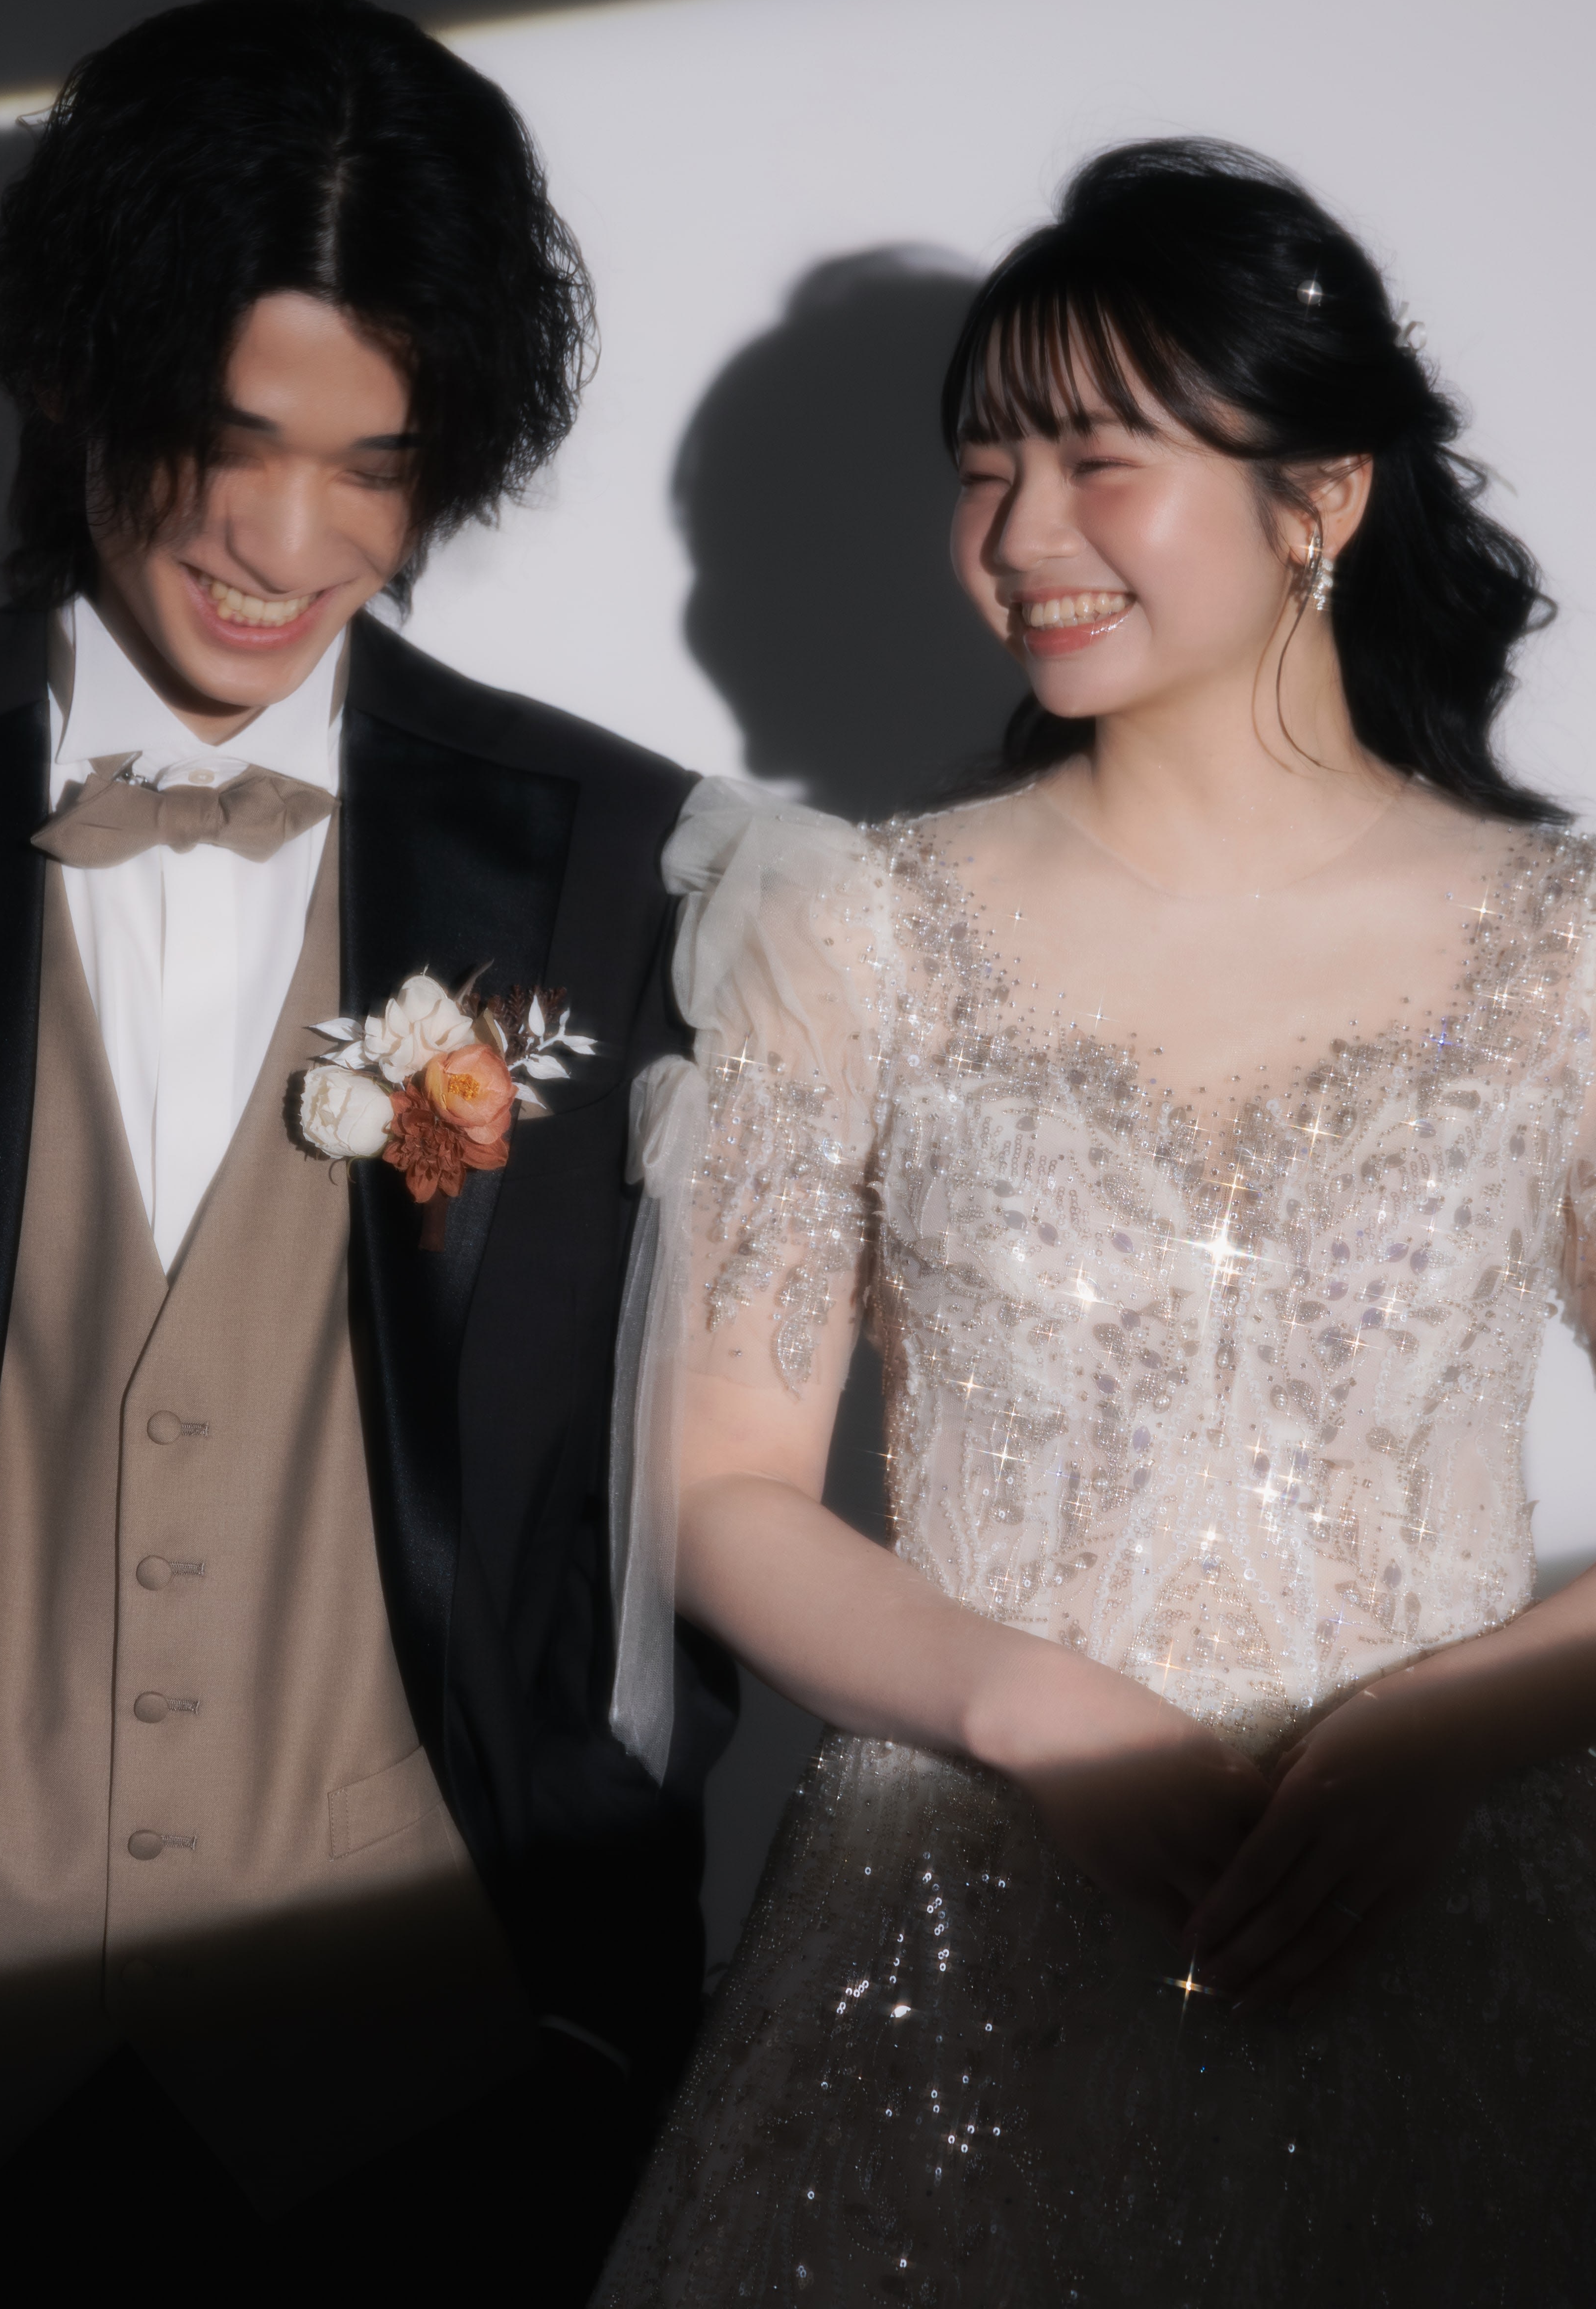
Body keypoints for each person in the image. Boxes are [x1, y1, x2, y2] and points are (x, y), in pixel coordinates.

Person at [0, 0, 729, 2303]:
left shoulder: (615, 864)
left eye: (374, 467)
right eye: (225, 441)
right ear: (69, 371)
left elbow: (647, 1500)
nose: (281, 541)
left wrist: (585, 1992)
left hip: (428, 2091)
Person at [596, 139, 1596, 2308]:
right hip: (960, 1929)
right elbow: (711, 1483)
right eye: (985, 470)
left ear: (1320, 495)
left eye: (1096, 462)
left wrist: (1445, 1732)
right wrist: (1035, 1710)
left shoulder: (1563, 944)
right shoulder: (855, 929)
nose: (1021, 536)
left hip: (1441, 1927)